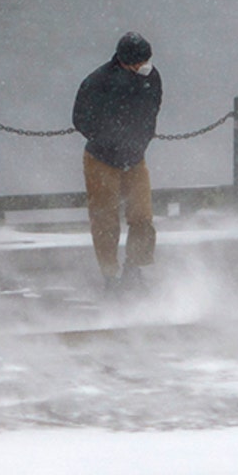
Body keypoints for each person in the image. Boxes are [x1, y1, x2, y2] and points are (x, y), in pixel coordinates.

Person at [71, 31, 162, 291]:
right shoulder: (99, 81)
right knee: (105, 220)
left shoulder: (152, 77)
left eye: (146, 60)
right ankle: (109, 275)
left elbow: (153, 109)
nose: (144, 66)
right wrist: (108, 138)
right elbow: (80, 118)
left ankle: (134, 268)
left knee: (142, 216)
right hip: (101, 158)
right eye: (139, 62)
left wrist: (141, 140)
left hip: (135, 157)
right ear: (124, 61)